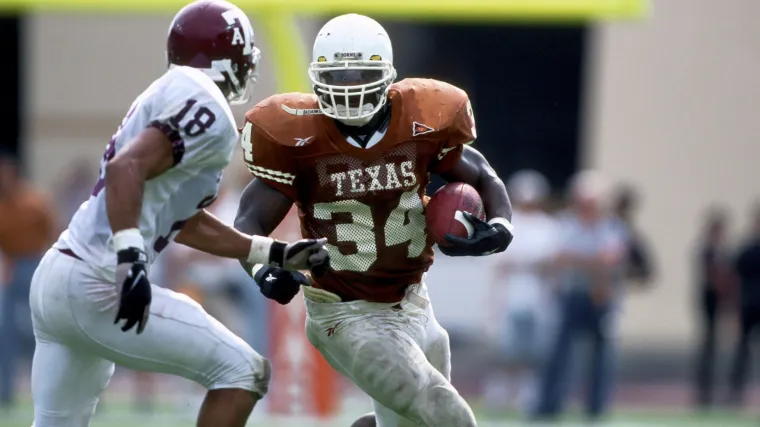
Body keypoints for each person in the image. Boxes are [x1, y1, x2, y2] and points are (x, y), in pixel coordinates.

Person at [27, 2, 329, 427]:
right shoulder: (205, 103)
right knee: (242, 372)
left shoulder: (169, 90)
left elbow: (180, 219)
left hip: (58, 278)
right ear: (225, 59)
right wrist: (131, 262)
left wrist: (272, 253)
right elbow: (124, 169)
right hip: (97, 282)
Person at [233, 13, 514, 427]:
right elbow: (248, 219)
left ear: (387, 74)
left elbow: (482, 175)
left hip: (416, 302)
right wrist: (263, 267)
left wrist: (501, 226)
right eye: (337, 75)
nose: (349, 87)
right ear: (317, 77)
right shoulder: (296, 135)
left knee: (405, 423)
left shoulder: (421, 119)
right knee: (444, 412)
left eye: (360, 73)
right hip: (346, 313)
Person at [532, 171, 629, 422]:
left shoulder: (611, 226)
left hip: (600, 297)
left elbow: (609, 259)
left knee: (601, 357)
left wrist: (575, 259)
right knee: (558, 354)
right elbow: (556, 258)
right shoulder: (566, 223)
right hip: (571, 295)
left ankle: (597, 408)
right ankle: (548, 406)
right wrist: (591, 260)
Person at [482, 170, 558, 414]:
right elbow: (500, 264)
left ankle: (527, 397)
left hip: (538, 299)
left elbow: (551, 263)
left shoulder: (548, 226)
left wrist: (524, 263)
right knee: (506, 351)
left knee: (533, 353)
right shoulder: (507, 225)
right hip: (511, 298)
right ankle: (499, 395)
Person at [0, 157, 57, 407]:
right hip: (12, 269)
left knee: (45, 328)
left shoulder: (34, 201)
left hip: (35, 265)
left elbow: (54, 233)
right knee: (6, 332)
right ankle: (5, 392)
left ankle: (53, 390)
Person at [692, 208, 735, 410]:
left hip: (719, 301)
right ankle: (704, 389)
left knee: (717, 345)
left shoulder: (723, 251)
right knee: (708, 344)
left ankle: (717, 387)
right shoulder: (706, 249)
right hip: (709, 300)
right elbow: (711, 276)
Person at [727, 204, 760, 407]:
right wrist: (735, 307)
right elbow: (734, 279)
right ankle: (736, 390)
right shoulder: (747, 251)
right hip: (749, 305)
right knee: (742, 350)